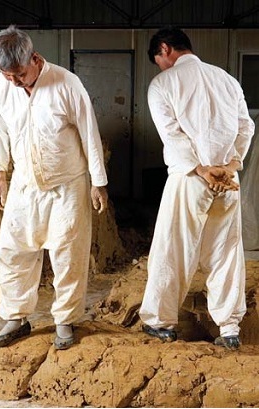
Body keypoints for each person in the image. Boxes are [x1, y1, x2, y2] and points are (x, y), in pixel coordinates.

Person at [0, 25, 109, 350]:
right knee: (12, 251)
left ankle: (65, 321)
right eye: (6, 74)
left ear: (35, 58)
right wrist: (0, 176)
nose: (13, 80)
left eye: (19, 73)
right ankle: (15, 318)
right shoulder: (0, 87)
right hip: (25, 184)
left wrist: (99, 183)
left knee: (68, 253)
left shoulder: (67, 84)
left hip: (67, 184)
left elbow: (89, 134)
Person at [139, 27, 255, 350]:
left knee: (173, 248)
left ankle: (160, 322)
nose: (160, 67)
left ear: (165, 49)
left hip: (190, 178)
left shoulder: (163, 85)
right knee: (227, 252)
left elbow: (172, 135)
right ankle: (229, 328)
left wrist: (203, 169)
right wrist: (230, 166)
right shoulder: (227, 81)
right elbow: (247, 126)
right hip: (226, 180)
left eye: (159, 60)